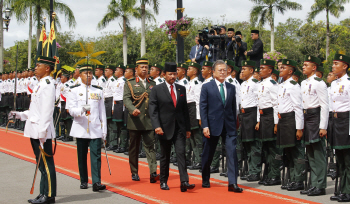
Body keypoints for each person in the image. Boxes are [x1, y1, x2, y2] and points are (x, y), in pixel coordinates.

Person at [11, 56, 57, 204]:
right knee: (41, 164)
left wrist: (43, 131)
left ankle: (49, 195)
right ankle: (43, 192)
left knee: (46, 164)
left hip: (41, 130)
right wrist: (20, 115)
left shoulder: (48, 84)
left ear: (47, 68)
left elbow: (47, 110)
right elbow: (35, 110)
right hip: (35, 128)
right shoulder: (40, 84)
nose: (35, 68)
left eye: (38, 66)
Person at [149, 62, 195, 192]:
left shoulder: (181, 88)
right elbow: (153, 110)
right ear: (164, 75)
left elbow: (185, 110)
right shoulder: (157, 89)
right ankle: (163, 181)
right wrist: (156, 126)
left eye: (174, 74)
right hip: (164, 128)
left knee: (181, 153)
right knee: (165, 156)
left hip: (179, 128)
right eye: (170, 74)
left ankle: (184, 181)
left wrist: (188, 128)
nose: (173, 76)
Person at [200, 60, 243, 192]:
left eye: (225, 70)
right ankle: (205, 177)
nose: (223, 72)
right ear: (213, 72)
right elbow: (203, 107)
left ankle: (232, 183)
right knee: (208, 153)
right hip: (212, 125)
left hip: (229, 125)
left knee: (232, 153)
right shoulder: (207, 86)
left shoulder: (231, 87)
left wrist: (236, 121)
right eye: (220, 70)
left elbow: (233, 107)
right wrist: (205, 125)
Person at [67, 64, 107, 192]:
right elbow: (70, 110)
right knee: (82, 155)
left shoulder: (98, 90)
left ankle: (96, 182)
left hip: (95, 127)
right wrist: (81, 110)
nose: (89, 75)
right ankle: (83, 180)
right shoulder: (73, 90)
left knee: (96, 156)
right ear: (80, 75)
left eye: (90, 73)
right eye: (86, 73)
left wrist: (104, 130)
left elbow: (102, 112)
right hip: (81, 127)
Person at [123, 58, 159, 182]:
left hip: (149, 120)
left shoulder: (152, 83)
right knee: (134, 148)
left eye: (146, 67)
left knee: (150, 146)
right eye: (142, 67)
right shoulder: (130, 83)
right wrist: (132, 109)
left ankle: (153, 172)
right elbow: (127, 99)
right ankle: (134, 172)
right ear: (136, 69)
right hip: (135, 120)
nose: (144, 69)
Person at [299, 55, 328, 196]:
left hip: (315, 117)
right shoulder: (303, 83)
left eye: (306, 65)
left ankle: (320, 185)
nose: (303, 67)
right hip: (306, 117)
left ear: (314, 67)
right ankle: (314, 184)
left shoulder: (319, 83)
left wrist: (323, 126)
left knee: (318, 154)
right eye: (303, 65)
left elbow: (324, 105)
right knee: (310, 153)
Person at [277, 59, 305, 191]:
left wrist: (299, 128)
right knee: (288, 151)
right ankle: (292, 178)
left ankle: (298, 179)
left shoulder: (293, 86)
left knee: (295, 151)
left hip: (291, 120)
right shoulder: (282, 85)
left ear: (290, 71)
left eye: (283, 68)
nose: (280, 70)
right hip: (283, 120)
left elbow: (298, 108)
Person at [328, 54, 350, 202]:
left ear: (345, 66)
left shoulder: (348, 83)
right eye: (333, 63)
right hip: (335, 122)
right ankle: (342, 189)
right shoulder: (334, 84)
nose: (333, 66)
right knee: (340, 159)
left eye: (337, 63)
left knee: (348, 160)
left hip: (346, 121)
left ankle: (348, 191)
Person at [257, 59, 282, 186]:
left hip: (270, 116)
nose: (260, 70)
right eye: (260, 68)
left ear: (270, 70)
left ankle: (275, 175)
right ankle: (267, 174)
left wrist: (276, 123)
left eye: (263, 68)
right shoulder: (262, 83)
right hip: (263, 116)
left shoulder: (272, 84)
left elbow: (276, 105)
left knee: (273, 148)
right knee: (265, 148)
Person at [239, 60, 261, 182]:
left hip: (252, 114)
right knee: (246, 143)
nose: (242, 71)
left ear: (251, 71)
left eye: (244, 69)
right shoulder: (243, 84)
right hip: (244, 115)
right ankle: (250, 170)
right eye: (241, 69)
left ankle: (255, 171)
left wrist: (258, 120)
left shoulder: (255, 84)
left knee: (254, 145)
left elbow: (259, 103)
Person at [186, 62, 203, 170]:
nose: (187, 70)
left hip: (193, 110)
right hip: (188, 109)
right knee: (191, 136)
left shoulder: (197, 83)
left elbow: (198, 101)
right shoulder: (189, 83)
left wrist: (199, 117)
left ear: (195, 71)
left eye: (189, 69)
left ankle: (200, 160)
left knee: (197, 137)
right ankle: (196, 159)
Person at [112, 64, 128, 154]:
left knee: (122, 126)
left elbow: (124, 95)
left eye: (116, 70)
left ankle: (123, 146)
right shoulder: (117, 81)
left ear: (121, 72)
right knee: (118, 125)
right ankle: (119, 144)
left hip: (121, 104)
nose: (115, 72)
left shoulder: (123, 81)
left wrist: (123, 108)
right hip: (116, 104)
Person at [104, 65, 118, 151]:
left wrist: (113, 107)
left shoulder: (113, 81)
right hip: (106, 102)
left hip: (110, 102)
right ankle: (109, 142)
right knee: (108, 124)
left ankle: (113, 143)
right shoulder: (108, 80)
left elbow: (114, 94)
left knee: (112, 125)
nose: (105, 72)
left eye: (107, 70)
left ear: (111, 72)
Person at [60, 69, 74, 142]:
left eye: (62, 77)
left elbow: (68, 96)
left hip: (66, 103)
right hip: (62, 104)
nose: (61, 79)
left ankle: (69, 136)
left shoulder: (67, 85)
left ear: (66, 78)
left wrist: (68, 106)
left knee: (68, 121)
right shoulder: (63, 85)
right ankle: (66, 135)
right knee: (64, 120)